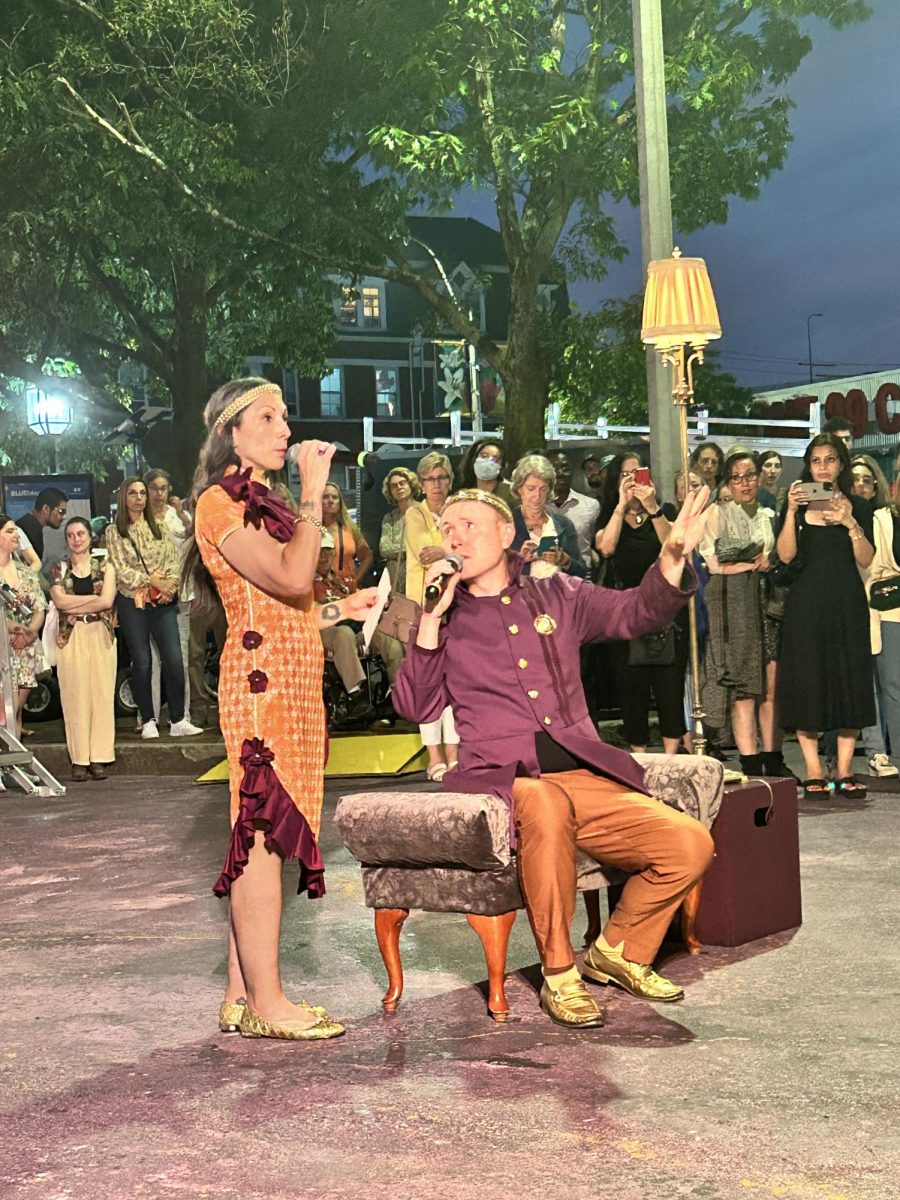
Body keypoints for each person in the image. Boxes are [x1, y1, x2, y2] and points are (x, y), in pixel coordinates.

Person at [393, 487, 714, 1029]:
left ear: (507, 534)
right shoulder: (440, 618)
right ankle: (560, 973)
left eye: (468, 525)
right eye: (447, 529)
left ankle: (618, 952)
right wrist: (429, 618)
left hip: (579, 773)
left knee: (689, 844)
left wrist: (673, 557)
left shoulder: (557, 593)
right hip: (501, 781)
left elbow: (637, 612)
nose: (455, 537)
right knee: (542, 800)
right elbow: (417, 705)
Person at [187, 377, 379, 1041]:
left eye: (285, 416)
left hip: (293, 681)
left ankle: (242, 995)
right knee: (264, 838)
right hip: (263, 688)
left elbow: (288, 603)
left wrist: (340, 610)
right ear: (229, 433)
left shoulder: (259, 504)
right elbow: (295, 575)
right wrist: (312, 498)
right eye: (267, 417)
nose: (285, 429)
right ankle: (269, 1003)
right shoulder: (218, 505)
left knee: (260, 839)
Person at [776, 434, 875, 797]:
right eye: (816, 460)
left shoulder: (859, 506)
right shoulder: (798, 507)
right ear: (808, 465)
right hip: (806, 604)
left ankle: (845, 770)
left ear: (841, 464)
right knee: (808, 682)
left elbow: (866, 559)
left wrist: (850, 522)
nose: (822, 467)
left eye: (830, 460)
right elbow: (785, 556)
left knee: (848, 679)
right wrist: (789, 511)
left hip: (846, 603)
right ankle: (814, 770)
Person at [595, 454, 688, 755]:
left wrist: (652, 508)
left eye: (638, 472)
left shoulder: (663, 511)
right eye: (626, 474)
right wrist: (622, 506)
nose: (633, 479)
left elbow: (672, 547)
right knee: (631, 689)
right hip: (625, 611)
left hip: (665, 611)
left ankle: (672, 758)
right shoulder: (609, 513)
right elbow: (606, 548)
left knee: (669, 690)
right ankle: (639, 758)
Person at [697, 452, 782, 777]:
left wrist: (766, 560)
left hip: (767, 603)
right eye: (737, 477)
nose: (744, 483)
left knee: (770, 688)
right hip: (734, 605)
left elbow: (779, 555)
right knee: (744, 687)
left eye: (750, 475)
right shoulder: (718, 514)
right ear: (727, 482)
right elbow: (715, 560)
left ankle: (773, 756)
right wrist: (752, 561)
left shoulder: (768, 514)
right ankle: (750, 759)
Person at [105, 476, 203, 741]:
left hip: (162, 602)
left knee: (174, 658)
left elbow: (174, 558)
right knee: (143, 661)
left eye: (141, 493)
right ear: (124, 498)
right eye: (133, 493)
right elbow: (120, 569)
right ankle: (148, 718)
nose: (139, 498)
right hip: (132, 602)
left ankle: (178, 719)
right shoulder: (114, 531)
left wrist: (169, 585)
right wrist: (151, 581)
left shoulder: (158, 525)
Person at [404, 451, 460, 780]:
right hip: (423, 609)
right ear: (421, 484)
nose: (435, 484)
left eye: (441, 478)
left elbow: (467, 550)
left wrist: (449, 551)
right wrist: (450, 549)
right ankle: (433, 754)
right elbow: (428, 555)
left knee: (453, 683)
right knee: (427, 684)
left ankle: (454, 754)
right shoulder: (414, 513)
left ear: (449, 480)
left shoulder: (458, 508)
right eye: (429, 479)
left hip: (458, 606)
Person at [49, 517, 117, 781]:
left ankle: (99, 758)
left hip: (100, 635)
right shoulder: (59, 568)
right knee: (74, 697)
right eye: (70, 535)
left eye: (80, 534)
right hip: (71, 636)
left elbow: (108, 600)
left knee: (100, 696)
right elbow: (59, 601)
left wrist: (75, 604)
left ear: (90, 536)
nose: (76, 539)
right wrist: (92, 600)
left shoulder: (106, 567)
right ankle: (79, 760)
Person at [846, 455, 898, 778]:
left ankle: (888, 749)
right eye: (855, 480)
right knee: (864, 683)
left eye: (867, 479)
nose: (861, 485)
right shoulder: (841, 516)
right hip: (853, 605)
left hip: (883, 607)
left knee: (890, 683)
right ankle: (875, 750)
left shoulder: (885, 517)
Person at [145, 468, 194, 727]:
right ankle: (149, 716)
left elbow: (194, 537)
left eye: (163, 488)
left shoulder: (178, 515)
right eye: (154, 488)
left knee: (180, 659)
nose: (159, 493)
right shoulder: (139, 518)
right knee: (150, 660)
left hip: (180, 592)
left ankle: (182, 714)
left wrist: (183, 512)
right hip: (148, 594)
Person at [0, 512, 46, 734]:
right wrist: (13, 628)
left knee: (15, 712)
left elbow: (39, 608)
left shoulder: (26, 572)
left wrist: (30, 631)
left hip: (25, 647)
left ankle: (13, 764)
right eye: (9, 530)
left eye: (15, 530)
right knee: (3, 714)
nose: (16, 534)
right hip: (2, 646)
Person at [510, 454, 585, 578]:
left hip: (558, 595)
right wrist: (519, 560)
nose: (537, 496)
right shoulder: (505, 524)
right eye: (531, 488)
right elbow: (490, 573)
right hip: (521, 595)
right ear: (519, 489)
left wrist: (565, 561)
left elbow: (581, 571)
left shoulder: (564, 524)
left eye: (543, 489)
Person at [548, 451, 600, 567]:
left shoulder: (591, 506)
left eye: (565, 468)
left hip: (582, 579)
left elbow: (596, 546)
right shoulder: (538, 507)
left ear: (573, 472)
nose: (560, 473)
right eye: (554, 469)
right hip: (545, 579)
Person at [322, 482, 374, 589]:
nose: (331, 501)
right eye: (326, 497)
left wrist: (355, 581)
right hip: (318, 590)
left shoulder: (350, 529)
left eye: (335, 497)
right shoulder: (310, 530)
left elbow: (367, 557)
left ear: (340, 502)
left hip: (346, 590)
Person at [378, 466, 419, 589]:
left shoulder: (424, 511)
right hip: (394, 581)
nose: (399, 487)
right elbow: (384, 550)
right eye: (394, 486)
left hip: (418, 577)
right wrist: (411, 549)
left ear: (410, 484)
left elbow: (424, 548)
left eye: (402, 483)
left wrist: (414, 549)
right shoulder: (389, 518)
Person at [457, 438, 516, 508]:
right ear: (473, 460)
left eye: (495, 459)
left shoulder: (510, 493)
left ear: (502, 465)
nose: (488, 462)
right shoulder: (463, 494)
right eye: (484, 456)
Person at [15, 487, 68, 562]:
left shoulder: (28, 524)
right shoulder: (29, 530)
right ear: (46, 508)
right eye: (61, 511)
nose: (64, 517)